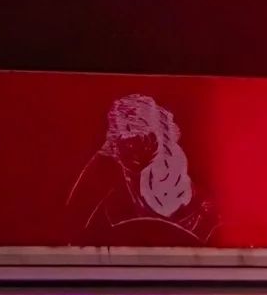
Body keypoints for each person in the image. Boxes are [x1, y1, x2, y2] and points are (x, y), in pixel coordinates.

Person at [67, 93, 215, 243]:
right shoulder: (114, 199)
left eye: (141, 137)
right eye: (124, 139)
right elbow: (72, 225)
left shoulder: (204, 212)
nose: (132, 145)